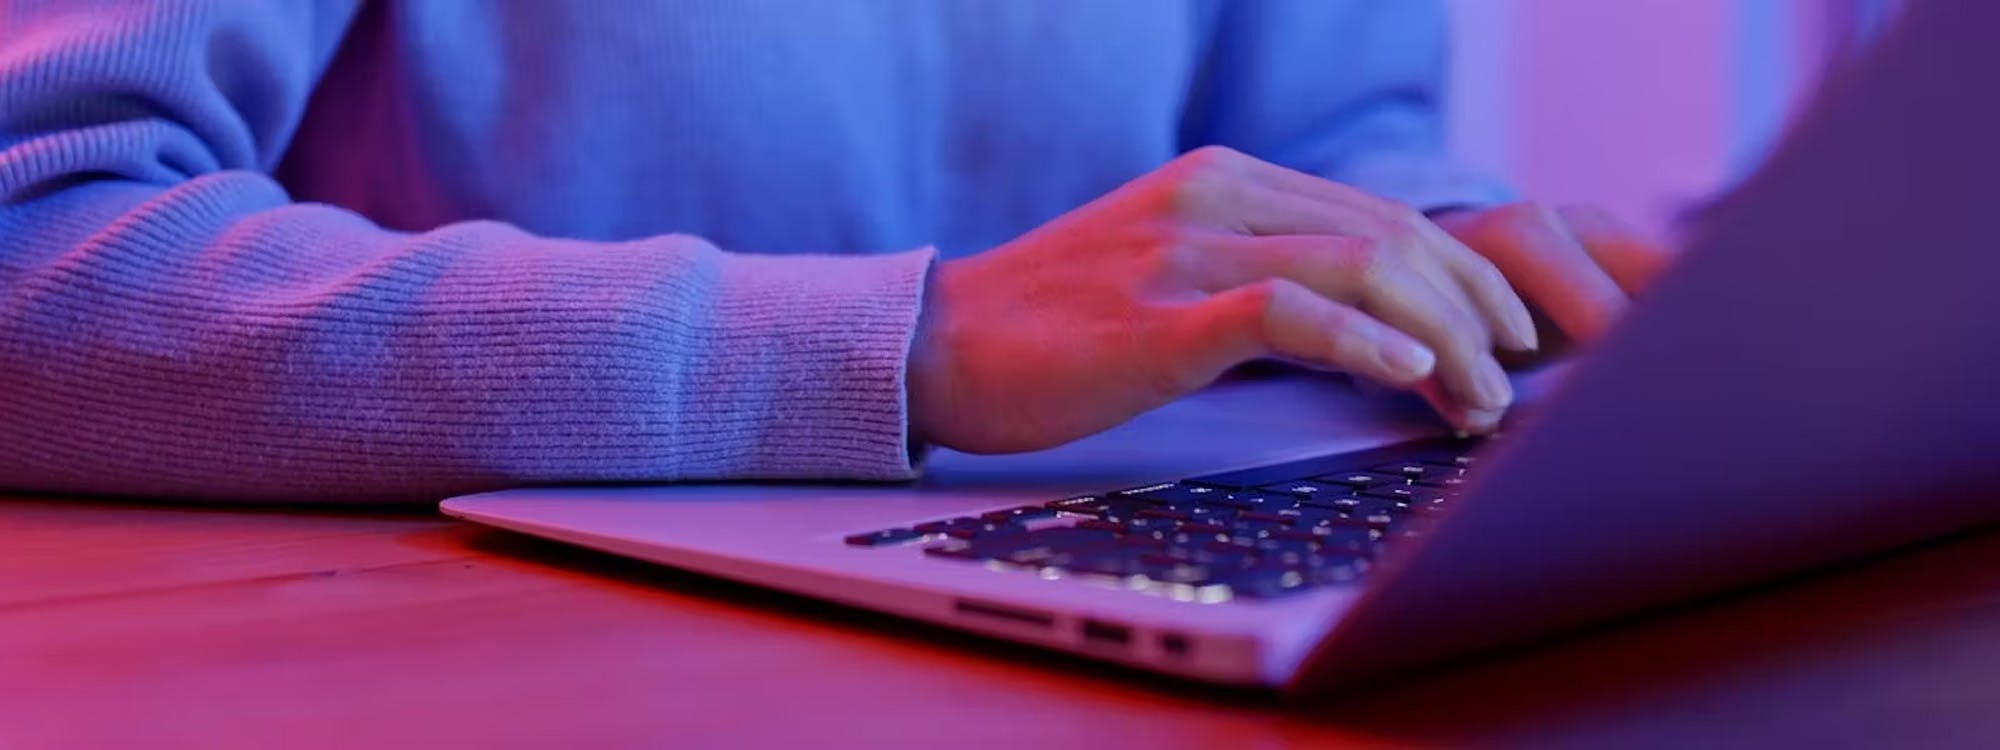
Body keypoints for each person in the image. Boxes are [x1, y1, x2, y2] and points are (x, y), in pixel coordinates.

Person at [0, 1, 1668, 502]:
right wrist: (907, 343)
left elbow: (1326, 122)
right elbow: (34, 238)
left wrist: (1439, 255)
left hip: (1108, 604)